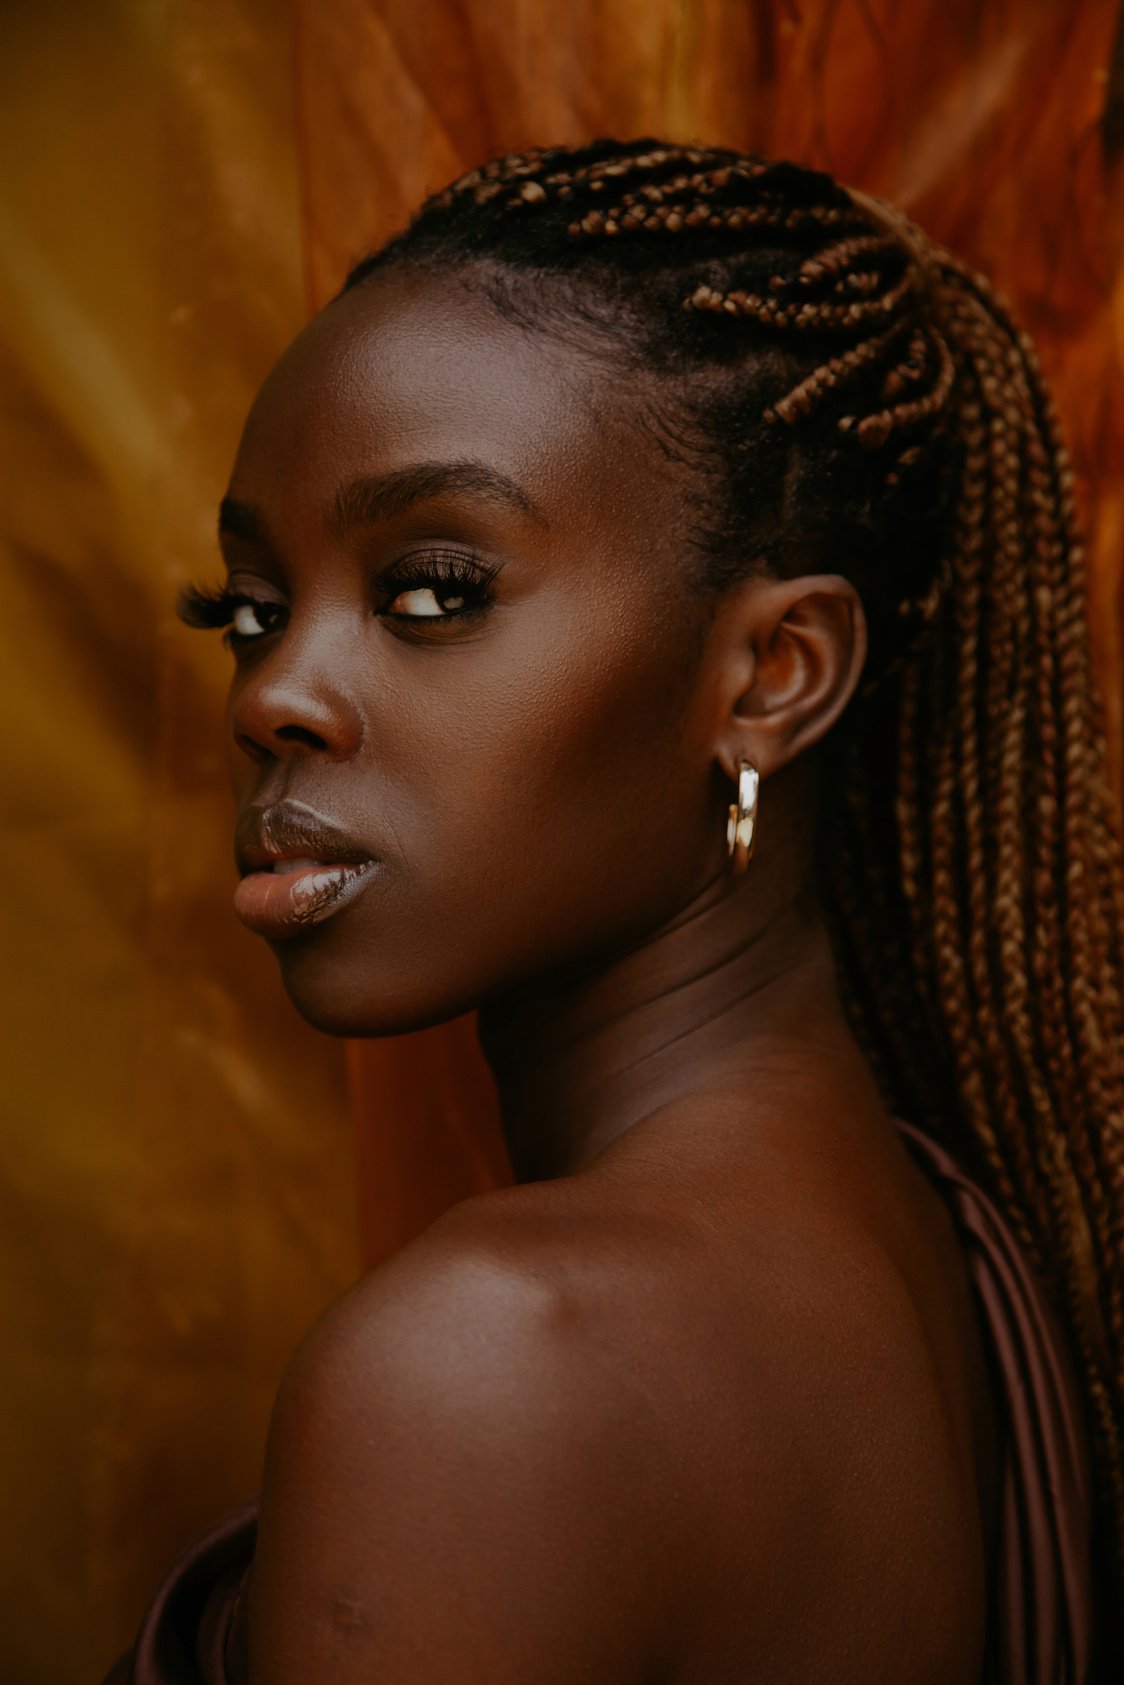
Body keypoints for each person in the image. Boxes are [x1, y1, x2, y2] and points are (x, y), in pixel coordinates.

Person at [104, 139, 1124, 1683]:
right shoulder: (924, 1234)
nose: (274, 693)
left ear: (775, 677)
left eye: (431, 589)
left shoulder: (491, 1364)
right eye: (251, 607)